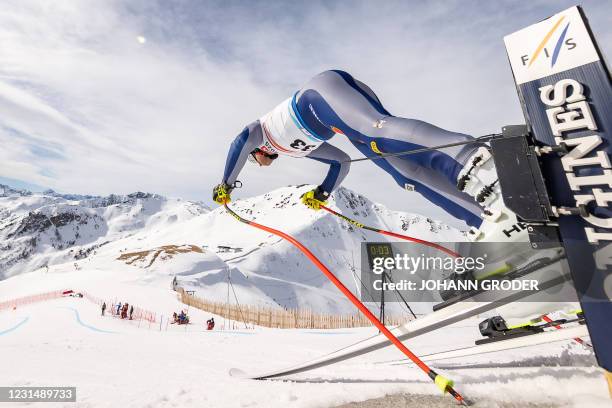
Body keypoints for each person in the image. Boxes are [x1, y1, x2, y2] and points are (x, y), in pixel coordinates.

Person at [213, 70, 526, 244]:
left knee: (374, 130)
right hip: (337, 121)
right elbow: (341, 162)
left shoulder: (263, 134)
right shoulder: (294, 149)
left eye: (254, 160)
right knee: (404, 173)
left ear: (258, 152)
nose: (258, 162)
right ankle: (485, 218)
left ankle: (472, 159)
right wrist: (322, 193)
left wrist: (226, 183)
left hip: (322, 92)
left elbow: (240, 138)